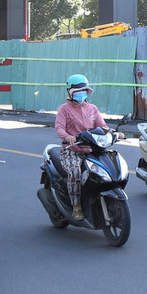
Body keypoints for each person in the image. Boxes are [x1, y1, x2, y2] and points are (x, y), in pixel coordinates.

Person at [54, 74, 108, 218]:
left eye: (84, 91)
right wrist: (68, 137)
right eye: (78, 91)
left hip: (91, 150)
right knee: (75, 173)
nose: (81, 94)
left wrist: (114, 133)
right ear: (70, 92)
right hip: (72, 151)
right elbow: (59, 128)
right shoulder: (64, 109)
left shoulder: (92, 108)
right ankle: (76, 206)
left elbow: (102, 126)